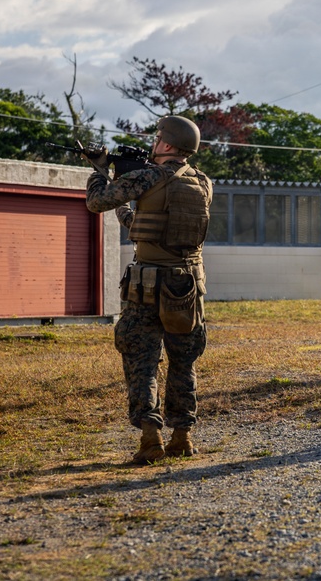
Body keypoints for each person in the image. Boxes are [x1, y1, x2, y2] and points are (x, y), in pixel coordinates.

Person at [85, 115, 213, 464]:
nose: (154, 143)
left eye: (157, 138)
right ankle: (183, 437)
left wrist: (99, 171)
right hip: (187, 286)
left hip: (148, 285)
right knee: (183, 361)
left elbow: (97, 201)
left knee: (141, 359)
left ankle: (150, 437)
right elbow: (155, 225)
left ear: (168, 145)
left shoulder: (147, 176)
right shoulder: (203, 183)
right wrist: (127, 212)